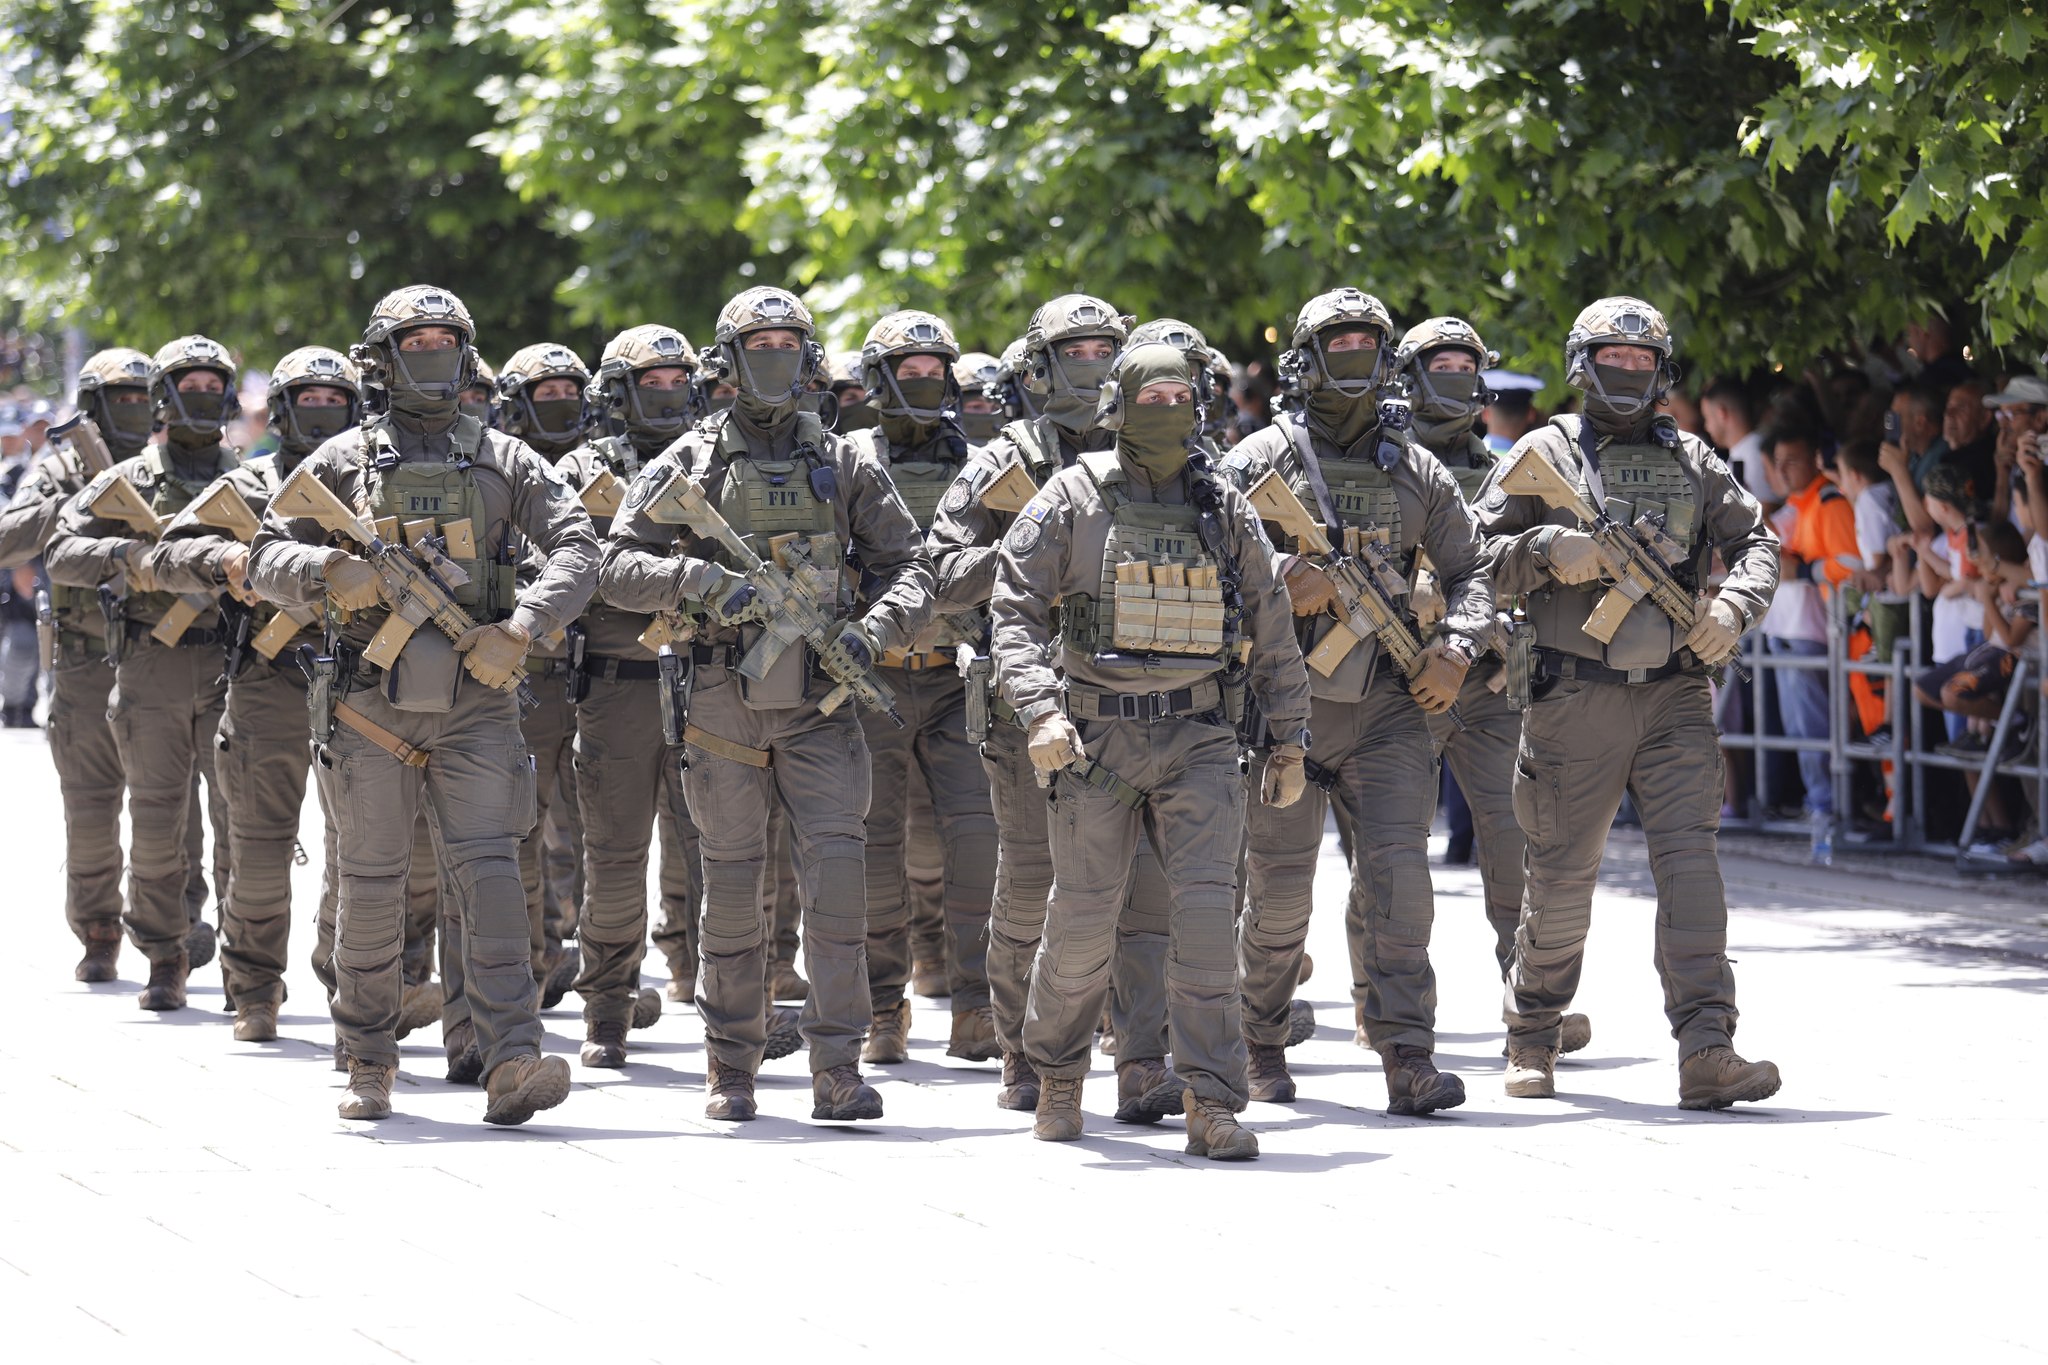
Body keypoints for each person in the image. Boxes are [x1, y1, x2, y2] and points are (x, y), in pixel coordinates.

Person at [250, 284, 596, 1125]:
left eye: (445, 339)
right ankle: (368, 1057)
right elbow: (264, 553)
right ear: (383, 359)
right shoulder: (340, 462)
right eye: (416, 341)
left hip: (479, 699)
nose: (432, 354)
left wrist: (524, 625)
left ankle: (512, 1056)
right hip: (370, 700)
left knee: (492, 875)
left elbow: (580, 546)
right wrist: (328, 573)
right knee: (372, 881)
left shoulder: (507, 459)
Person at [600, 285, 933, 1123]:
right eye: (761, 345)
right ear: (730, 361)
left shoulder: (847, 462)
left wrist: (876, 630)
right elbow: (616, 568)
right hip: (724, 696)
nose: (776, 359)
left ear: (810, 358)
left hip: (822, 701)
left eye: (790, 344)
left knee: (839, 884)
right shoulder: (689, 461)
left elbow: (911, 566)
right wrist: (700, 580)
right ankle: (732, 1063)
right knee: (733, 884)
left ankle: (837, 1066)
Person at [990, 340, 1312, 1159]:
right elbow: (1014, 606)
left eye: (1179, 396)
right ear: (1119, 406)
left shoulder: (1221, 503)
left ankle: (1212, 1099)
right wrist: (1039, 711)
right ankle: (1058, 1074)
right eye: (1151, 396)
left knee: (1204, 923)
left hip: (1199, 735)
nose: (1167, 410)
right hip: (1094, 741)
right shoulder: (1071, 496)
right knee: (1083, 920)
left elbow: (1272, 622)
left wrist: (1289, 738)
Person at [1474, 295, 1784, 1109]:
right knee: (1562, 879)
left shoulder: (1693, 459)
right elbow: (1471, 558)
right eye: (1613, 359)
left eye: (1642, 361)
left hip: (1676, 693)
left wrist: (1731, 608)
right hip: (1573, 697)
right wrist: (1550, 549)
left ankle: (1707, 1046)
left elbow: (1757, 542)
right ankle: (1532, 1031)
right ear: (1584, 366)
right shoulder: (1542, 454)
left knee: (1692, 870)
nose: (1628, 372)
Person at [1224, 295, 1496, 1116]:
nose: (1354, 355)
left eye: (1367, 343)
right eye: (1338, 342)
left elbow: (1472, 571)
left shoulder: (1417, 470)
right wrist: (1280, 581)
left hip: (1388, 706)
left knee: (1401, 886)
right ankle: (1259, 1039)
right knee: (1278, 894)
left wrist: (1458, 647)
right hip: (1285, 710)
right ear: (1306, 359)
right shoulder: (1257, 460)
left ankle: (1407, 1053)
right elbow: (1208, 569)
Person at [925, 294, 1143, 1116]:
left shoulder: (1154, 449)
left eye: (1103, 350)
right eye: (1074, 352)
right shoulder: (1002, 460)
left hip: (1136, 695)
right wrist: (1034, 546)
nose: (1091, 366)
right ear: (1041, 367)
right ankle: (1021, 1047)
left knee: (1137, 885)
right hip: (1029, 697)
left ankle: (1135, 1048)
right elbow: (942, 575)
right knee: (1029, 880)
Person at [554, 323, 778, 1069]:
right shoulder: (578, 471)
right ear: (618, 392)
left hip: (711, 681)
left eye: (679, 380)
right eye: (651, 383)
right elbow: (555, 569)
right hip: (618, 689)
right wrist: (665, 578)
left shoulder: (718, 459)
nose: (669, 393)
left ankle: (736, 1014)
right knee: (615, 858)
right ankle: (607, 1010)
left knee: (727, 858)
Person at [142, 346, 376, 1043]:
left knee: (360, 848)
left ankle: (347, 982)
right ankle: (253, 988)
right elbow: (164, 555)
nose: (322, 412)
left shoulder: (376, 482)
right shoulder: (247, 485)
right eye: (308, 399)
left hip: (359, 680)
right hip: (267, 683)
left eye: (335, 400)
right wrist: (224, 559)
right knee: (260, 845)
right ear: (280, 409)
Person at [1395, 317, 1595, 1052]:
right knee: (1391, 853)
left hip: (1490, 676)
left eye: (1465, 365)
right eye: (1440, 364)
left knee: (1516, 844)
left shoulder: (1510, 470)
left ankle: (1530, 1002)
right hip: (1399, 680)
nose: (1454, 377)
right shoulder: (1379, 465)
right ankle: (1380, 1004)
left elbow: (1523, 563)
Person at [46, 336, 245, 1013]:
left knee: (242, 825)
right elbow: (61, 551)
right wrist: (130, 557)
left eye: (212, 384)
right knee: (157, 821)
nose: (201, 397)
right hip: (150, 661)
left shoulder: (251, 479)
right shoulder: (128, 480)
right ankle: (164, 952)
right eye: (187, 385)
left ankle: (247, 966)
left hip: (233, 663)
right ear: (165, 397)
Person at [825, 311, 1000, 1068]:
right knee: (874, 847)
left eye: (936, 370)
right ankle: (881, 1008)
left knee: (978, 842)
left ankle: (976, 1007)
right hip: (873, 681)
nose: (926, 382)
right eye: (910, 370)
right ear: (877, 379)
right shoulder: (845, 459)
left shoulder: (991, 463)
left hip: (961, 678)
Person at [0, 348, 165, 980]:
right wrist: (80, 502)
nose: (134, 408)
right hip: (85, 656)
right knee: (92, 807)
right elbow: (9, 538)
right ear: (95, 404)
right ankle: (99, 930)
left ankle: (172, 933)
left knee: (170, 810)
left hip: (166, 652)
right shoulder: (59, 468)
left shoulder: (173, 461)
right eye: (121, 397)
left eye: (142, 397)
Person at [493, 341, 603, 1011]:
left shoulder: (604, 467)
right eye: (546, 393)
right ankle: (535, 959)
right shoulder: (497, 470)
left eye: (570, 392)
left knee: (594, 831)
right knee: (521, 830)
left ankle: (587, 961)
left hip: (600, 676)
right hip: (525, 673)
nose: (560, 404)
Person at [1758, 418, 1859, 856]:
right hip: (1786, 631)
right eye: (1778, 462)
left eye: (1792, 461)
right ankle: (1818, 805)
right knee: (1800, 730)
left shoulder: (1828, 501)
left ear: (1816, 460)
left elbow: (1852, 564)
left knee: (1815, 728)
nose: (1782, 470)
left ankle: (1827, 810)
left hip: (1814, 631)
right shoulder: (1794, 505)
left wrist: (1804, 569)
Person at [1701, 377, 1778, 507]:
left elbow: (1767, 509)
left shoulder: (1756, 454)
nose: (1706, 427)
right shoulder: (1748, 452)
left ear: (1721, 413)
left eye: (1707, 418)